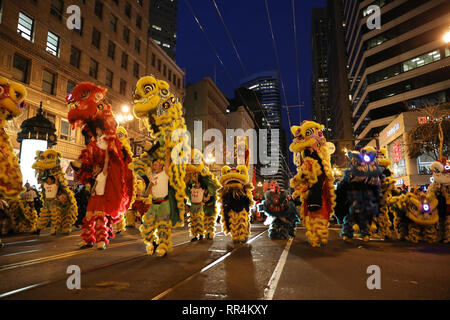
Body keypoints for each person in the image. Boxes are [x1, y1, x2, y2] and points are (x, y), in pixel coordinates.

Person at [140, 153, 172, 257]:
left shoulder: (165, 173)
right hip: (154, 204)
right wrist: (144, 193)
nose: (155, 166)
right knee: (146, 226)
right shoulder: (152, 176)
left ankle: (163, 248)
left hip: (164, 203)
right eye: (154, 165)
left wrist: (168, 149)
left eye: (157, 164)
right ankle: (153, 243)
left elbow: (167, 162)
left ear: (162, 166)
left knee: (163, 228)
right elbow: (147, 191)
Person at [80, 148, 110, 250]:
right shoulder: (93, 177)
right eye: (94, 168)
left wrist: (106, 153)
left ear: (100, 167)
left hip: (101, 199)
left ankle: (101, 241)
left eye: (96, 167)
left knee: (99, 221)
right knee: (88, 219)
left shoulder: (103, 174)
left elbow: (106, 162)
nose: (94, 169)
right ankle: (88, 240)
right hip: (92, 199)